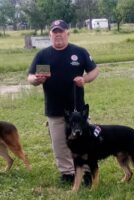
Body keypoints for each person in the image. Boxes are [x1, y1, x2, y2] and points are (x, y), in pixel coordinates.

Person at [27, 19, 99, 186]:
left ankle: (87, 172)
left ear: (68, 33)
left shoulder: (79, 52)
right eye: (55, 32)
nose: (58, 34)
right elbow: (30, 77)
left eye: (61, 31)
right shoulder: (43, 55)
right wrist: (37, 79)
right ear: (50, 34)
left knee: (83, 141)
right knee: (59, 143)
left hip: (77, 109)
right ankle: (67, 173)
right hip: (54, 108)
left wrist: (85, 79)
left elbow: (94, 70)